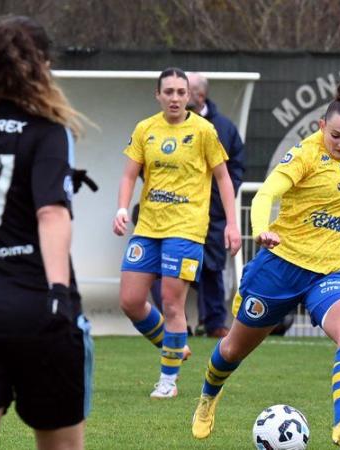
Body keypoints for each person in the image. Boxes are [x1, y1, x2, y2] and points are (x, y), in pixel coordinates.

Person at [191, 80, 340, 447]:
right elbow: (267, 192)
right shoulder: (304, 155)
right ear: (322, 126)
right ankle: (208, 397)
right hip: (280, 267)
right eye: (336, 135)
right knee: (232, 350)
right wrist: (261, 230)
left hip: (331, 272)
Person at [0, 15, 93, 450]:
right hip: (36, 310)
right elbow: (51, 214)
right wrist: (59, 295)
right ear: (43, 67)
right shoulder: (48, 133)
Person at [112, 67, 241, 399]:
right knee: (130, 300)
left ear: (190, 96)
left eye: (180, 92)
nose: (174, 98)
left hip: (186, 228)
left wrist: (232, 223)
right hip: (148, 227)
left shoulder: (204, 131)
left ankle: (167, 380)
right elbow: (129, 175)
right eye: (168, 92)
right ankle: (175, 346)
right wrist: (123, 208)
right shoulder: (145, 129)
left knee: (172, 303)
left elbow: (224, 179)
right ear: (158, 95)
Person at [187, 72, 245, 338]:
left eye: (183, 91)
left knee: (212, 267)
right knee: (166, 267)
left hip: (212, 212)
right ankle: (171, 321)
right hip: (175, 210)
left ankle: (214, 323)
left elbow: (235, 169)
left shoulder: (224, 128)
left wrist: (221, 200)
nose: (177, 97)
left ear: (200, 95)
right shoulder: (163, 127)